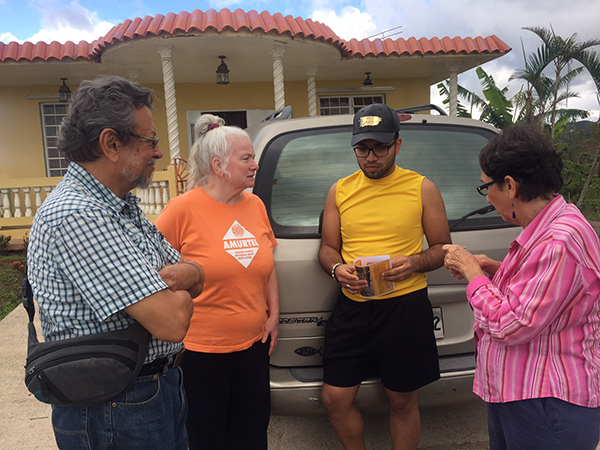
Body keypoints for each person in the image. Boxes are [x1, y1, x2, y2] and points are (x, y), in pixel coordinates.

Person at [26, 75, 204, 449]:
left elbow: (197, 277)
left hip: (147, 392)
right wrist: (179, 290)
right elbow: (172, 321)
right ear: (111, 143)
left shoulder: (119, 207)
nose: (159, 152)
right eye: (150, 141)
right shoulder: (78, 215)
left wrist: (186, 276)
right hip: (115, 405)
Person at [443, 124, 600, 450]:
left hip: (546, 404)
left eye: (486, 186)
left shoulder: (559, 240)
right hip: (523, 395)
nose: (486, 197)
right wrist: (496, 272)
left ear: (510, 186)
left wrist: (474, 275)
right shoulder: (550, 229)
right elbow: (549, 297)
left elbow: (513, 323)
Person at [318, 103, 451, 450]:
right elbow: (327, 249)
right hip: (353, 308)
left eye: (380, 147)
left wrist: (414, 262)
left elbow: (442, 248)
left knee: (402, 401)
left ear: (397, 144)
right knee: (335, 398)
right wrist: (337, 269)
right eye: (362, 148)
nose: (370, 156)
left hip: (404, 310)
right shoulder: (339, 191)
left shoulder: (422, 188)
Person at [155, 114, 279, 450]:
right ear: (218, 166)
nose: (255, 165)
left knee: (252, 434)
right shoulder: (181, 210)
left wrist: (273, 315)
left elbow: (267, 263)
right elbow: (152, 271)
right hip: (200, 352)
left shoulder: (255, 205)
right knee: (207, 437)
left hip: (253, 346)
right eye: (246, 158)